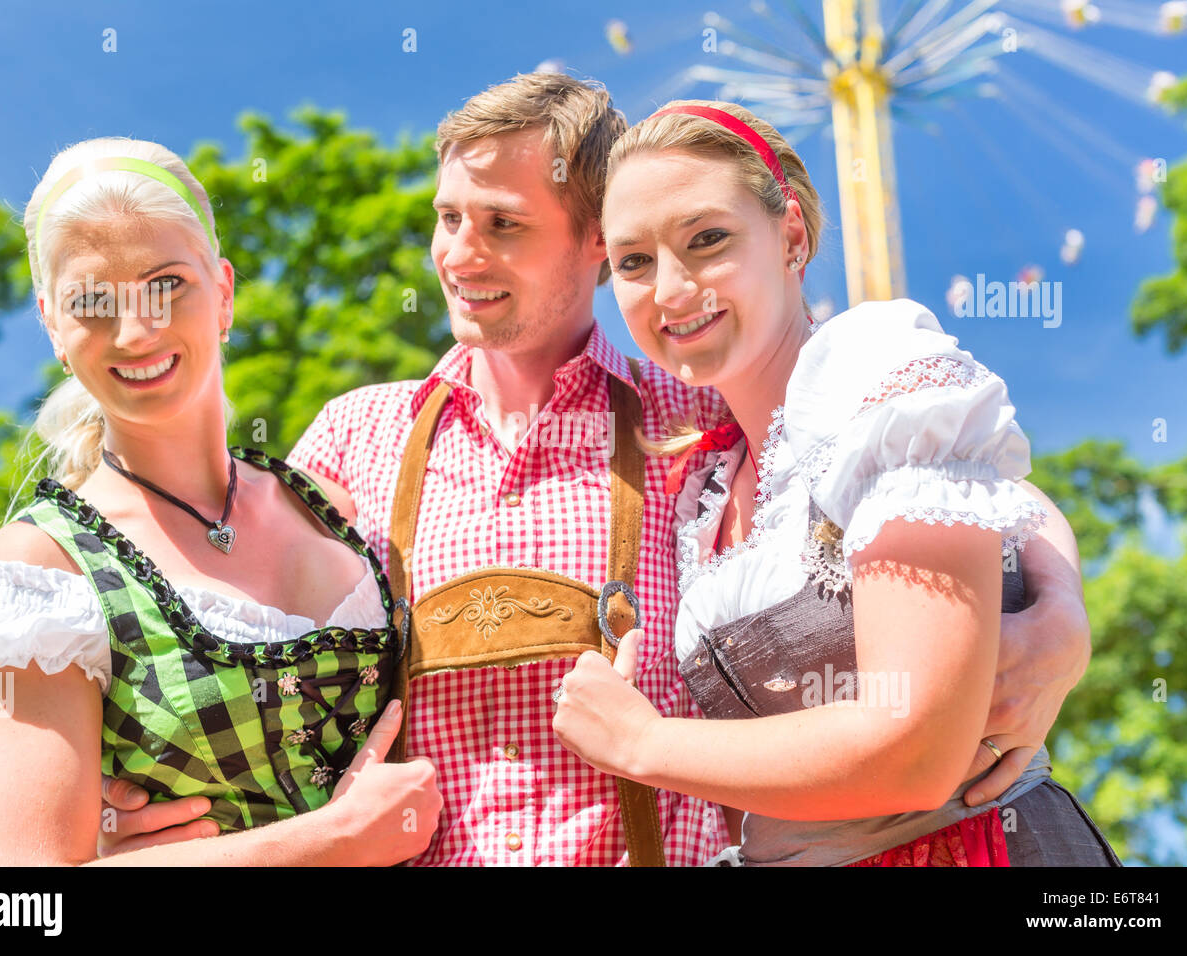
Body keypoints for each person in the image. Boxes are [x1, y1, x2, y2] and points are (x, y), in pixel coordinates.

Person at [102, 74, 1094, 866]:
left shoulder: (698, 405)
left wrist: (1058, 606)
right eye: (447, 218)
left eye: (501, 222)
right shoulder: (358, 435)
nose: (458, 252)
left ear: (589, 246)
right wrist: (154, 802)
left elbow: (957, 478)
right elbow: (218, 630)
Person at [552, 100, 1121, 866]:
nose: (673, 289)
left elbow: (916, 751)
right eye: (633, 262)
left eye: (708, 239)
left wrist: (641, 742)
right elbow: (1014, 502)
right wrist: (1062, 605)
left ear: (792, 234)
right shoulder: (707, 484)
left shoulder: (872, 366)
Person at [0, 137, 441, 865]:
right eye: (90, 302)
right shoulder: (44, 568)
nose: (136, 331)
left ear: (226, 292)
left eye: (167, 284)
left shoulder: (335, 506)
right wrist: (332, 839)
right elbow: (23, 897)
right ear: (52, 323)